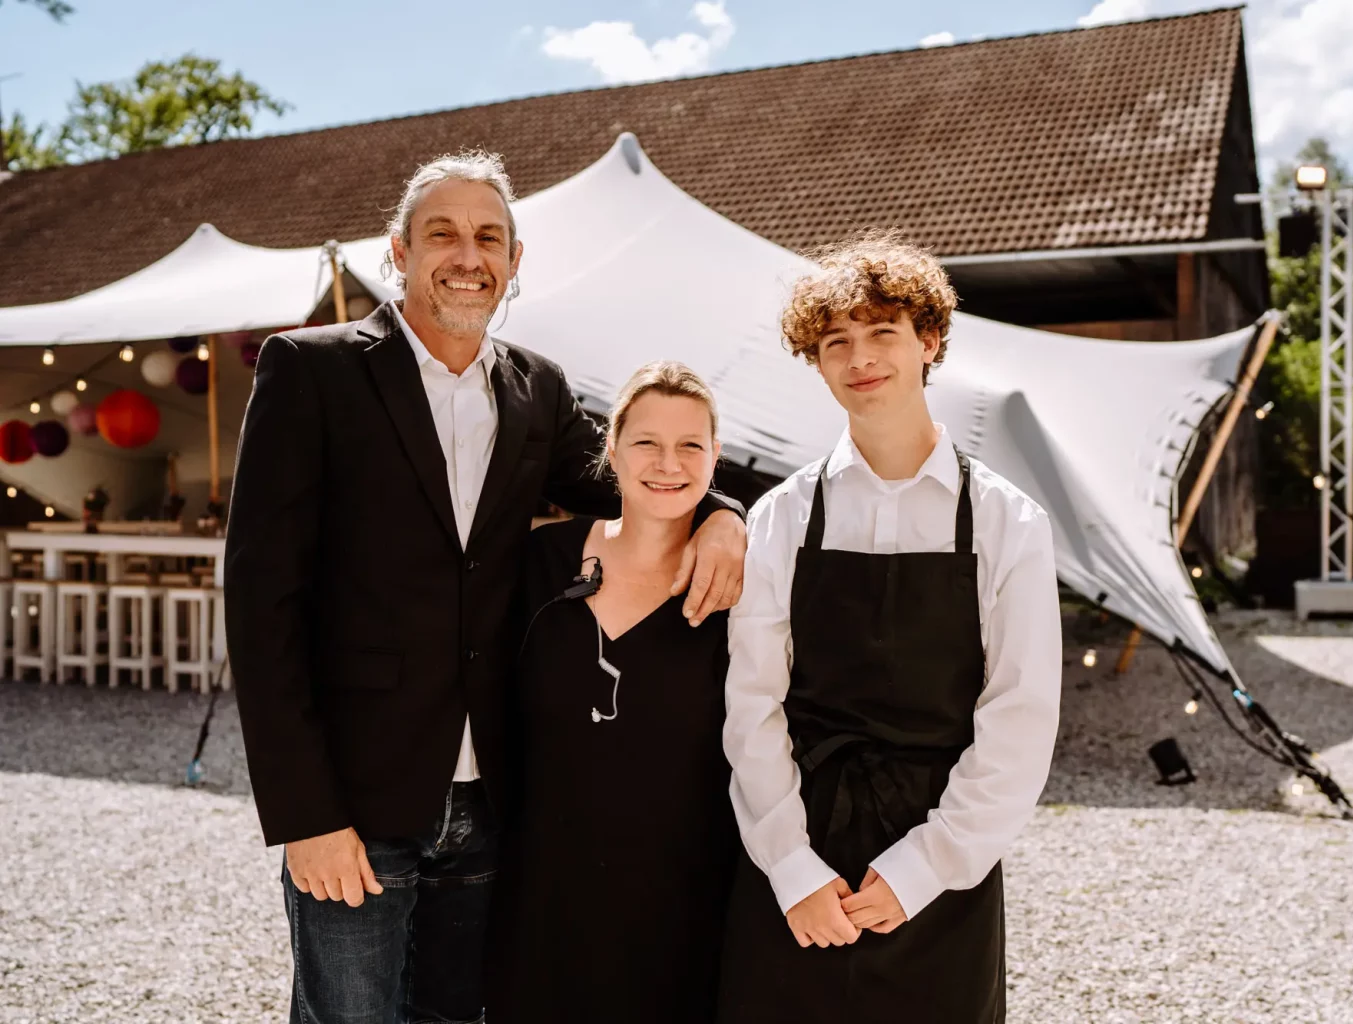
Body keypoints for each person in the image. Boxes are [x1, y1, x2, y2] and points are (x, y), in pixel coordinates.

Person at [224, 150, 746, 1024]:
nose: (468, 255)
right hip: (359, 797)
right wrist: (303, 814)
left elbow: (635, 477)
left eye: (488, 238)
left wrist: (725, 508)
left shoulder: (535, 388)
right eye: (443, 235)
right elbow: (260, 601)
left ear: (513, 261)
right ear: (398, 251)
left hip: (494, 804)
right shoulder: (310, 370)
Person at [716, 233, 1062, 1022]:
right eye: (836, 341)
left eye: (882, 333)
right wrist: (791, 866)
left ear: (929, 340)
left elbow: (1021, 717)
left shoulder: (1008, 522)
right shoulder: (783, 516)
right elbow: (751, 704)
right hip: (798, 840)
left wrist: (924, 868)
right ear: (817, 360)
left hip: (942, 856)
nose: (860, 358)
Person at [485, 361, 742, 1022]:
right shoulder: (541, 563)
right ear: (611, 449)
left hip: (681, 911)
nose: (668, 462)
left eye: (691, 445)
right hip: (540, 905)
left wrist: (728, 521)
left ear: (716, 458)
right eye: (646, 442)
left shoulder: (739, 590)